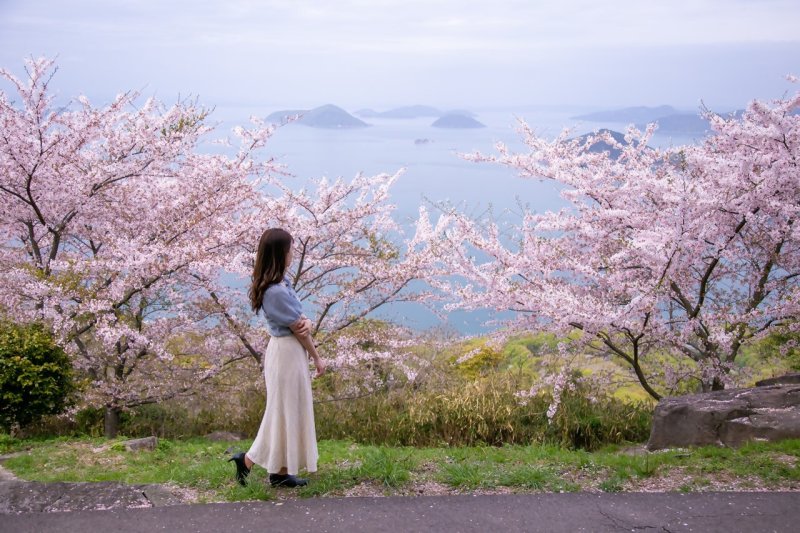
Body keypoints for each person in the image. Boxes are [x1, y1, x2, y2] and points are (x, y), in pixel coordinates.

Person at [228, 228, 326, 488]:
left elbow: (301, 322)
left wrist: (306, 322)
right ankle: (248, 461)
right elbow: (299, 329)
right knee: (282, 409)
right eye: (290, 248)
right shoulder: (276, 291)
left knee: (286, 410)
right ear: (281, 252)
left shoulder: (280, 284)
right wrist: (317, 358)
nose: (293, 253)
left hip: (287, 351)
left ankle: (280, 473)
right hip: (287, 353)